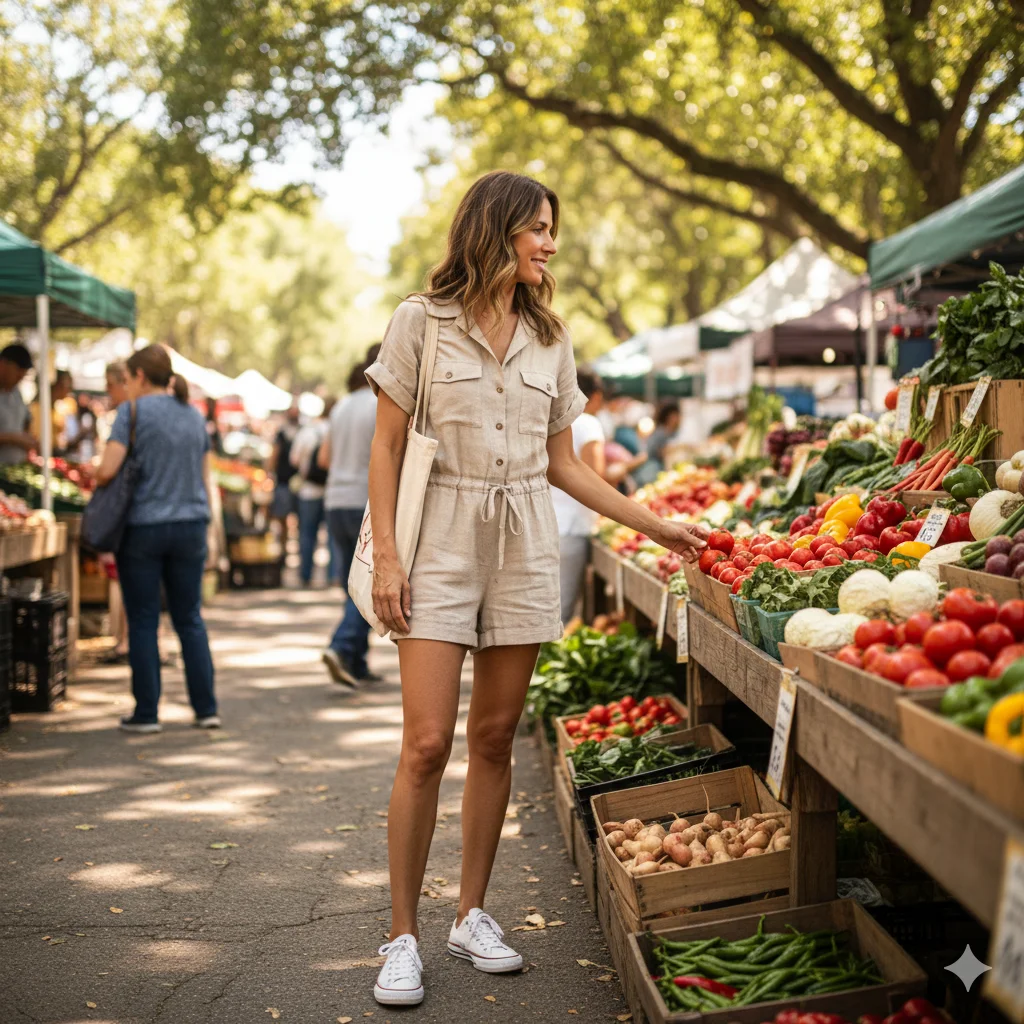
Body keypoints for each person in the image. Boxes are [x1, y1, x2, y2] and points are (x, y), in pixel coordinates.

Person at [364, 170, 707, 1007]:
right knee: (425, 744)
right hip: (436, 535)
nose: (551, 245)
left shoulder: (551, 337)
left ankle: (470, 913)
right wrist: (386, 558)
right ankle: (402, 934)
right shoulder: (421, 321)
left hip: (523, 538)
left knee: (495, 735)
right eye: (540, 229)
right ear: (498, 227)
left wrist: (653, 523)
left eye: (553, 230)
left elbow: (564, 467)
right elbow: (386, 445)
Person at [94, 344, 219, 734]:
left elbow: (107, 470)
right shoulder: (194, 416)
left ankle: (147, 713)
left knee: (144, 620)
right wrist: (214, 534)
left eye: (128, 378)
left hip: (143, 530)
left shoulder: (130, 414)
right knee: (190, 619)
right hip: (191, 527)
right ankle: (206, 709)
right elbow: (205, 477)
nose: (127, 386)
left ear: (140, 377)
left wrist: (95, 470)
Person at [319, 347, 380, 687]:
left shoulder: (341, 406)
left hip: (335, 501)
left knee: (352, 583)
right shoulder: (378, 404)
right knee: (368, 586)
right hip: (363, 502)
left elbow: (324, 458)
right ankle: (341, 647)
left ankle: (357, 662)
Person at [550, 370, 606, 623]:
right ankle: (546, 662)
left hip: (545, 523)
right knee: (561, 611)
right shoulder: (589, 423)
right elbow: (595, 478)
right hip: (572, 527)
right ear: (592, 396)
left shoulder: (552, 421)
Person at [290, 401, 338, 586]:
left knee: (307, 534)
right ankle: (334, 575)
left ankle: (305, 575)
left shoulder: (307, 432)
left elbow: (294, 459)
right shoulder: (336, 431)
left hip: (308, 491)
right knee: (332, 538)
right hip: (331, 491)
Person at [269, 402, 301, 544]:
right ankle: (286, 545)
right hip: (288, 480)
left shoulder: (291, 432)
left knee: (285, 516)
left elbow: (274, 454)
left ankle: (286, 545)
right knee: (284, 517)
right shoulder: (293, 432)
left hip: (292, 481)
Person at [0, 343, 36, 464]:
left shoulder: (16, 392)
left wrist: (27, 437)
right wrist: (13, 439)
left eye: (23, 373)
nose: (20, 377)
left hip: (14, 469)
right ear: (3, 364)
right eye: (17, 370)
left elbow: (26, 418)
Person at [634, 400, 682, 486]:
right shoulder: (660, 433)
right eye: (677, 415)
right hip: (653, 474)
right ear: (670, 416)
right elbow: (654, 452)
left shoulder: (672, 433)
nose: (679, 419)